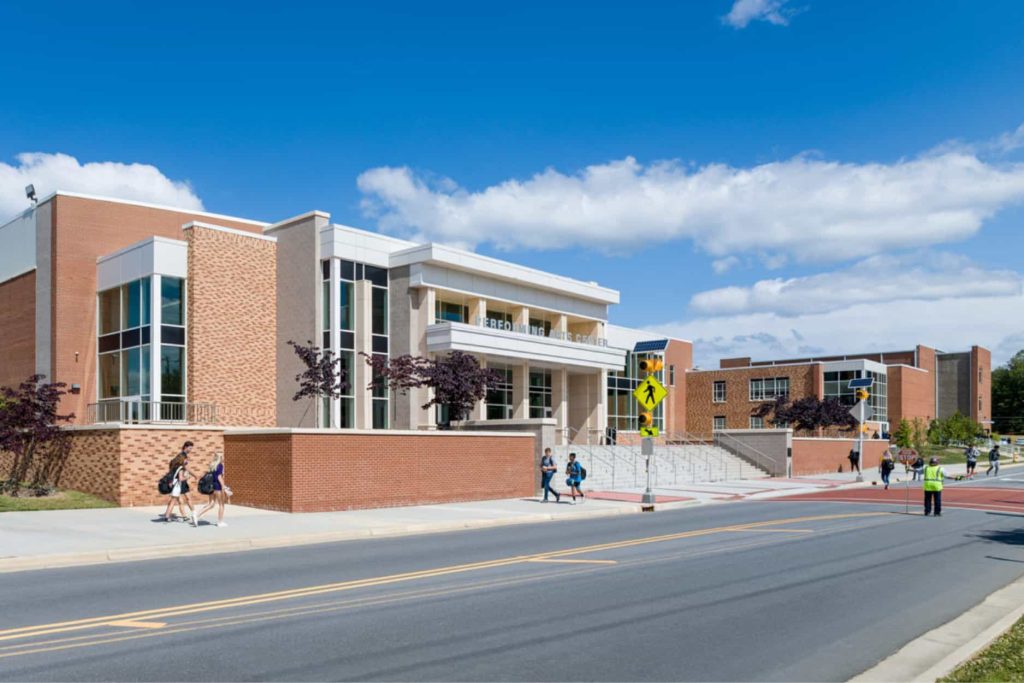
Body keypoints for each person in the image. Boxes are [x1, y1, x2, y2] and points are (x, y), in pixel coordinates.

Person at [162, 451, 197, 526]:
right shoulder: (181, 468)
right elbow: (181, 479)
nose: (187, 461)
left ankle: (167, 516)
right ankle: (167, 517)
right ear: (183, 459)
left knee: (173, 501)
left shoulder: (175, 466)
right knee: (173, 501)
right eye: (186, 459)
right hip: (176, 486)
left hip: (173, 485)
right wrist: (187, 477)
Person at [197, 451, 231, 526]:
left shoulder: (212, 465)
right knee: (221, 505)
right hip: (218, 487)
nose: (223, 458)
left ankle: (197, 515)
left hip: (212, 487)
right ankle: (220, 522)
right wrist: (223, 487)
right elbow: (219, 477)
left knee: (211, 504)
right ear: (220, 458)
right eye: (222, 457)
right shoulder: (220, 466)